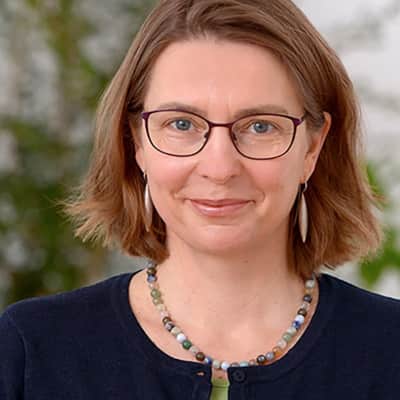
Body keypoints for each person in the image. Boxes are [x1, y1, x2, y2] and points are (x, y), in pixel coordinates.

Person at [1, 0, 399, 399]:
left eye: (260, 127)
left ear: (312, 147)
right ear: (136, 141)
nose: (219, 167)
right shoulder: (30, 351)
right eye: (181, 124)